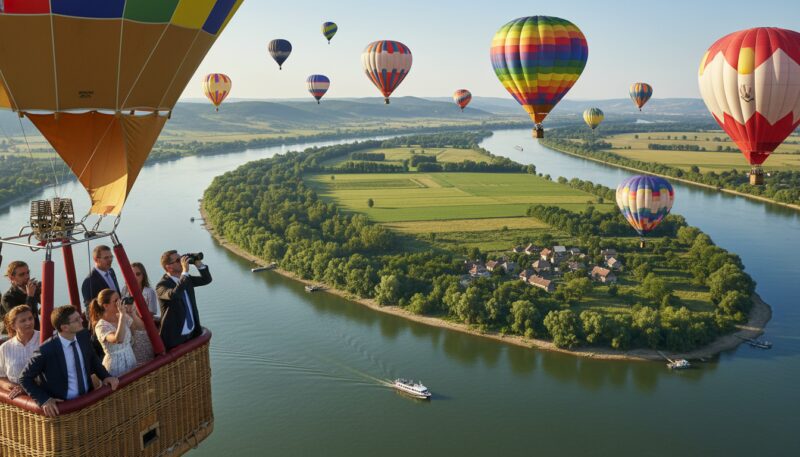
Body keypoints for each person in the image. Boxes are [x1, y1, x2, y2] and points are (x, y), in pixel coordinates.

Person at [20, 305, 119, 417]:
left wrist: (105, 376)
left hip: (88, 402)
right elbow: (24, 378)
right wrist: (44, 400)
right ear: (65, 327)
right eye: (76, 320)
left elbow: (93, 359)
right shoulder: (46, 350)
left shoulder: (83, 336)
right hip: (63, 410)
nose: (82, 320)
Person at [156, 251, 211, 351]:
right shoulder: (161, 286)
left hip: (193, 333)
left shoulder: (186, 279)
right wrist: (185, 272)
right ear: (169, 267)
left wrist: (197, 263)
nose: (182, 262)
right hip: (174, 339)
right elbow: (174, 295)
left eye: (181, 258)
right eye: (178, 260)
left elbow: (206, 279)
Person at [89, 289, 141, 377]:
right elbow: (118, 339)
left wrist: (132, 312)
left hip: (131, 359)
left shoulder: (121, 316)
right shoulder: (101, 326)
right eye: (116, 301)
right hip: (115, 367)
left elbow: (137, 328)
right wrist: (122, 316)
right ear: (106, 306)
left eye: (120, 299)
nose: (120, 302)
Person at [0, 305, 40, 400]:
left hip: (42, 398)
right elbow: (1, 377)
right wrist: (12, 387)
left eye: (30, 318)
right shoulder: (5, 348)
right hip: (17, 402)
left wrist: (26, 388)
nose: (29, 323)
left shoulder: (44, 339)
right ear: (13, 325)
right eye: (23, 321)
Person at [1, 261, 41, 334]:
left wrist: (43, 293)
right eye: (21, 275)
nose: (27, 277)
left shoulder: (32, 289)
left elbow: (45, 307)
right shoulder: (8, 297)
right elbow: (22, 317)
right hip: (19, 336)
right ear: (12, 278)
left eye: (28, 273)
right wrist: (30, 296)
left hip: (36, 332)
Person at [81, 245, 120, 309]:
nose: (110, 260)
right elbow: (89, 309)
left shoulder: (111, 271)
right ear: (96, 260)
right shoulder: (89, 282)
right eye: (106, 258)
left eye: (111, 257)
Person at [122, 297, 154, 366]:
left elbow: (141, 328)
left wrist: (132, 312)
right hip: (135, 358)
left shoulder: (143, 315)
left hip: (147, 357)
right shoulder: (122, 318)